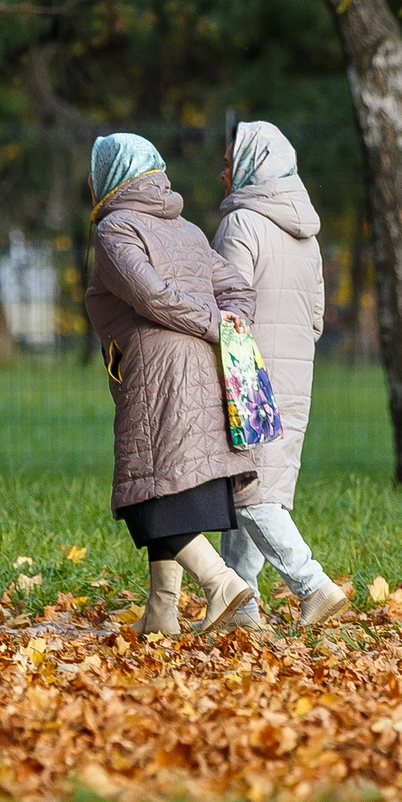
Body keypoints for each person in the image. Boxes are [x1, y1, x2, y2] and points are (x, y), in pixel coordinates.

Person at [84, 132, 259, 636]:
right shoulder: (187, 230)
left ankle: (219, 582)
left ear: (109, 175)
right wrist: (229, 325)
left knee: (147, 496)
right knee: (167, 483)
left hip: (156, 374)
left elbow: (150, 296)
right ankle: (162, 611)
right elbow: (238, 290)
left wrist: (215, 324)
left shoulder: (115, 228)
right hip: (202, 368)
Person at [212, 120, 351, 631]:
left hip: (247, 380)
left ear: (252, 166)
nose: (222, 173)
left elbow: (227, 308)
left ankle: (312, 584)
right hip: (295, 377)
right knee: (253, 485)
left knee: (250, 491)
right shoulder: (307, 235)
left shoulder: (241, 224)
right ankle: (241, 609)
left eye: (230, 163)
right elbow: (316, 319)